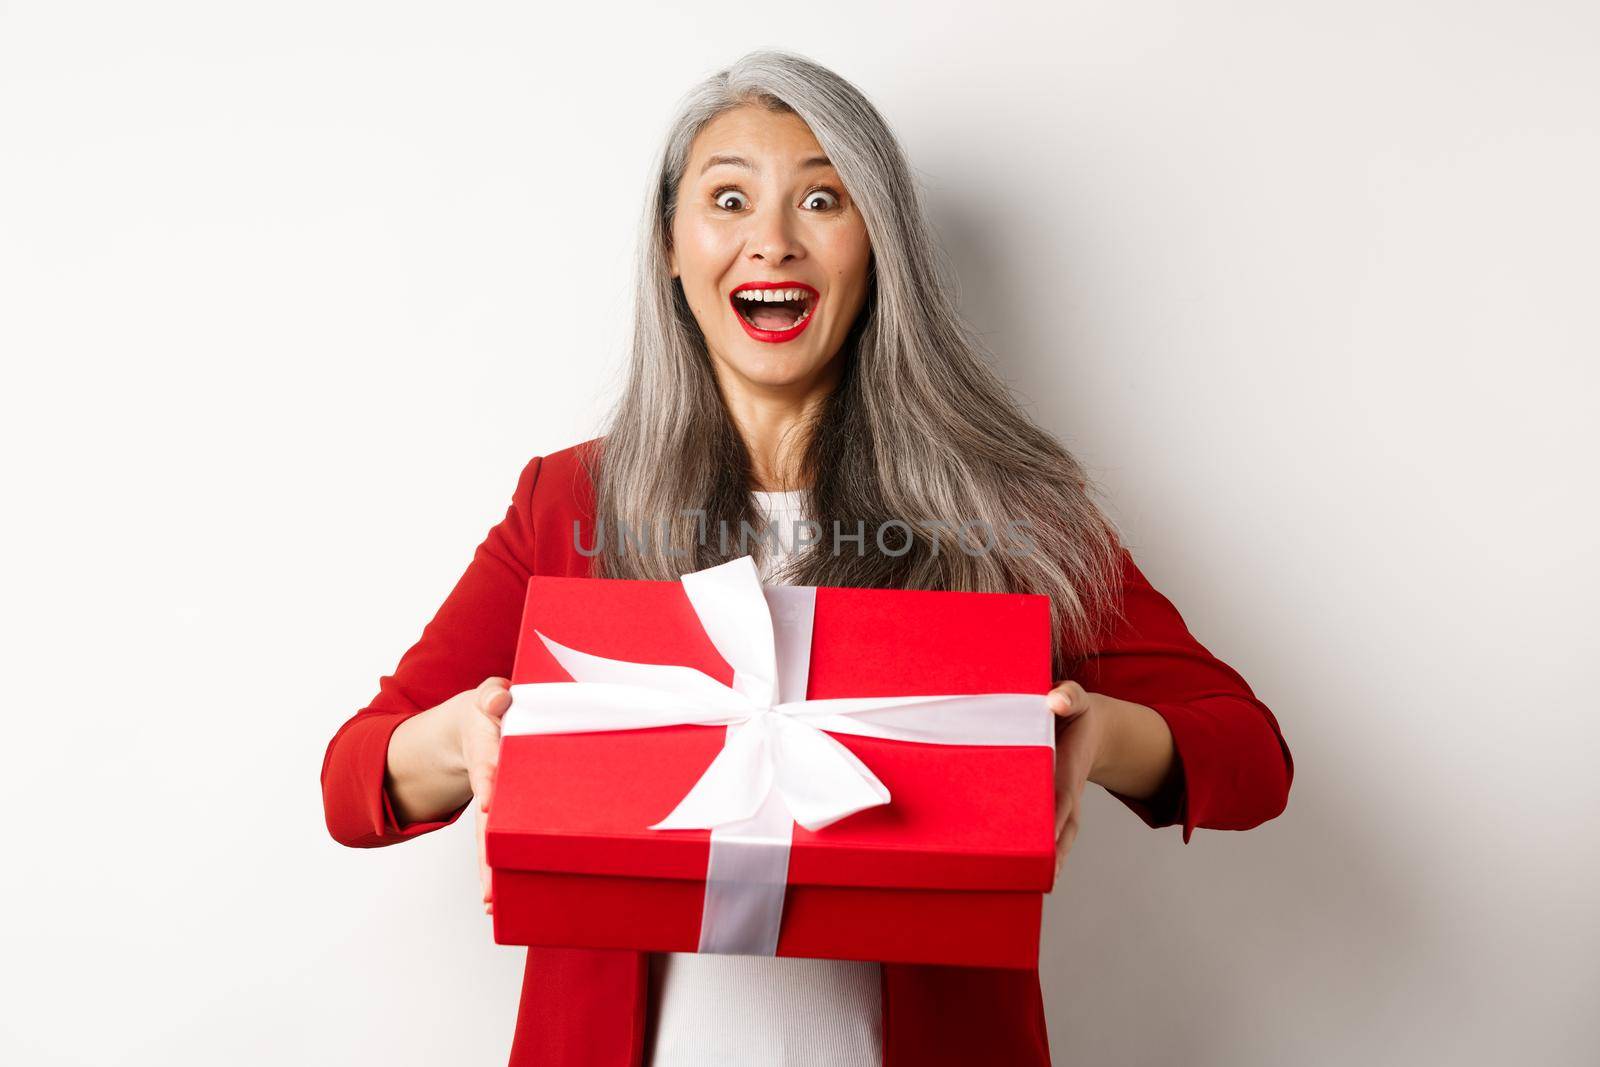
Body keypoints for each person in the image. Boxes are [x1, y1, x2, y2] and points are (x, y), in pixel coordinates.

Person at [320, 49, 1294, 1067]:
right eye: (728, 199)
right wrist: (463, 739)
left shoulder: (1005, 508)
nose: (771, 242)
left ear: (878, 241)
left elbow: (1249, 756)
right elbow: (354, 776)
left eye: (821, 198)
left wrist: (1097, 735)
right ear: (669, 244)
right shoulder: (569, 503)